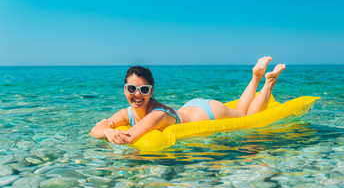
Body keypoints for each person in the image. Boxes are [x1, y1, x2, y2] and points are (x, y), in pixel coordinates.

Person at [89, 56, 285, 145]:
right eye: (132, 89)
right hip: (188, 108)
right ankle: (256, 76)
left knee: (245, 116)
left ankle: (266, 80)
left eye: (143, 90)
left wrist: (108, 131)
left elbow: (127, 139)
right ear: (125, 90)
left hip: (207, 112)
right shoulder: (127, 112)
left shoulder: (157, 115)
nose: (137, 95)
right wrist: (107, 130)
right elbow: (95, 129)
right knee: (241, 112)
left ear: (151, 92)